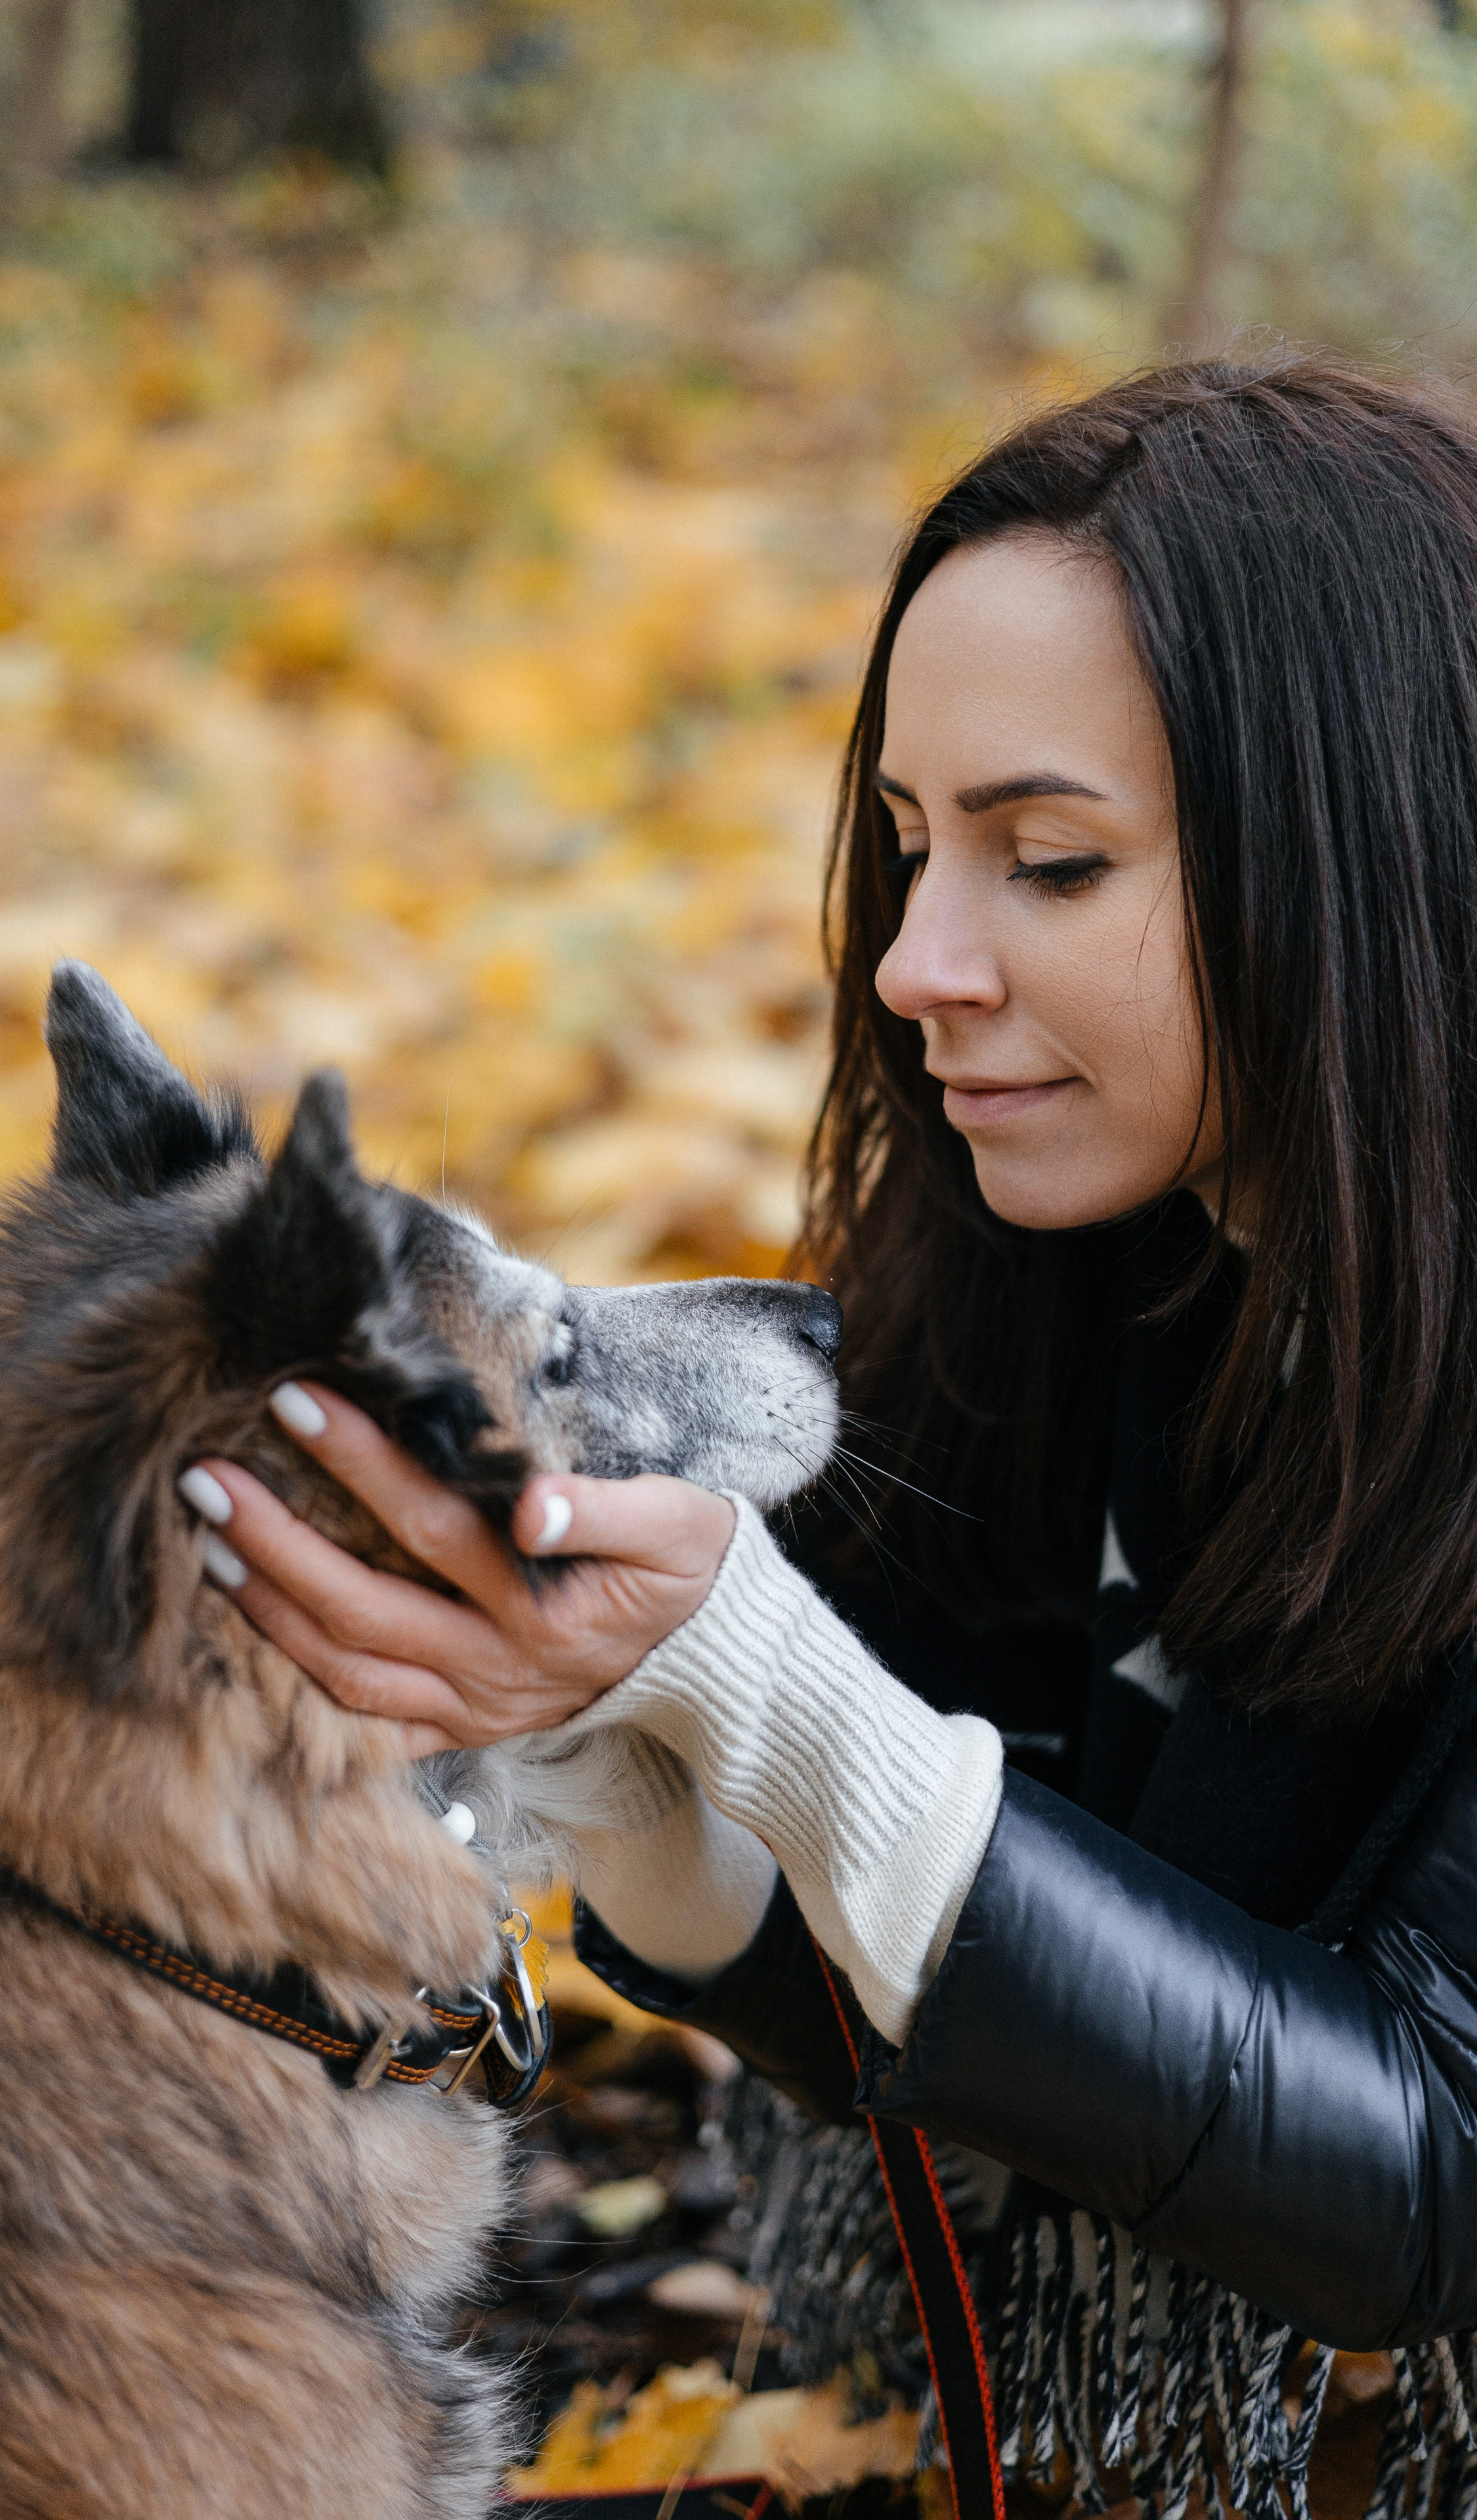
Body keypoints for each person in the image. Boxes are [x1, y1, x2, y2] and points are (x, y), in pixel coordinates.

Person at [178, 357, 1477, 2517]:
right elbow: (994, 1986)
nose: (917, 963)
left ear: (1373, 854)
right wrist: (658, 1779)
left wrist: (775, 1687)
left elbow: (1434, 2167)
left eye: (1050, 862)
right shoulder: (1080, 1257)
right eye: (904, 846)